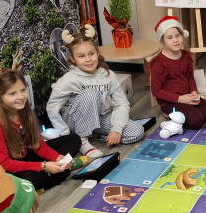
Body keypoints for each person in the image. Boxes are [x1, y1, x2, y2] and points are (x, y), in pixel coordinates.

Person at [47, 25, 144, 162]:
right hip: (74, 122)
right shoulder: (68, 80)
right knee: (91, 93)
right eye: (81, 56)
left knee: (137, 132)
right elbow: (52, 107)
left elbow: (122, 103)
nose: (88, 59)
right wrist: (65, 134)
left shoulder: (108, 75)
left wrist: (116, 129)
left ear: (97, 53)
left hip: (99, 118)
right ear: (73, 59)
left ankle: (99, 135)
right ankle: (81, 140)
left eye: (91, 54)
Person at [0, 69, 81, 191]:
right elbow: (3, 164)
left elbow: (38, 145)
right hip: (2, 170)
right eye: (12, 94)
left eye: (23, 90)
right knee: (35, 178)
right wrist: (43, 166)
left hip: (24, 156)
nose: (21, 97)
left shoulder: (24, 111)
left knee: (74, 140)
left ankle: (54, 171)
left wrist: (57, 157)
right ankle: (54, 174)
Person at [149, 16, 206, 130]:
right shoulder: (158, 63)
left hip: (188, 96)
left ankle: (187, 113)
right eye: (169, 38)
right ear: (162, 41)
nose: (175, 40)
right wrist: (180, 99)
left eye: (178, 35)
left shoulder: (186, 55)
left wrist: (193, 92)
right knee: (197, 121)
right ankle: (171, 115)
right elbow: (156, 91)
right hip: (170, 102)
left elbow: (190, 77)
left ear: (182, 35)